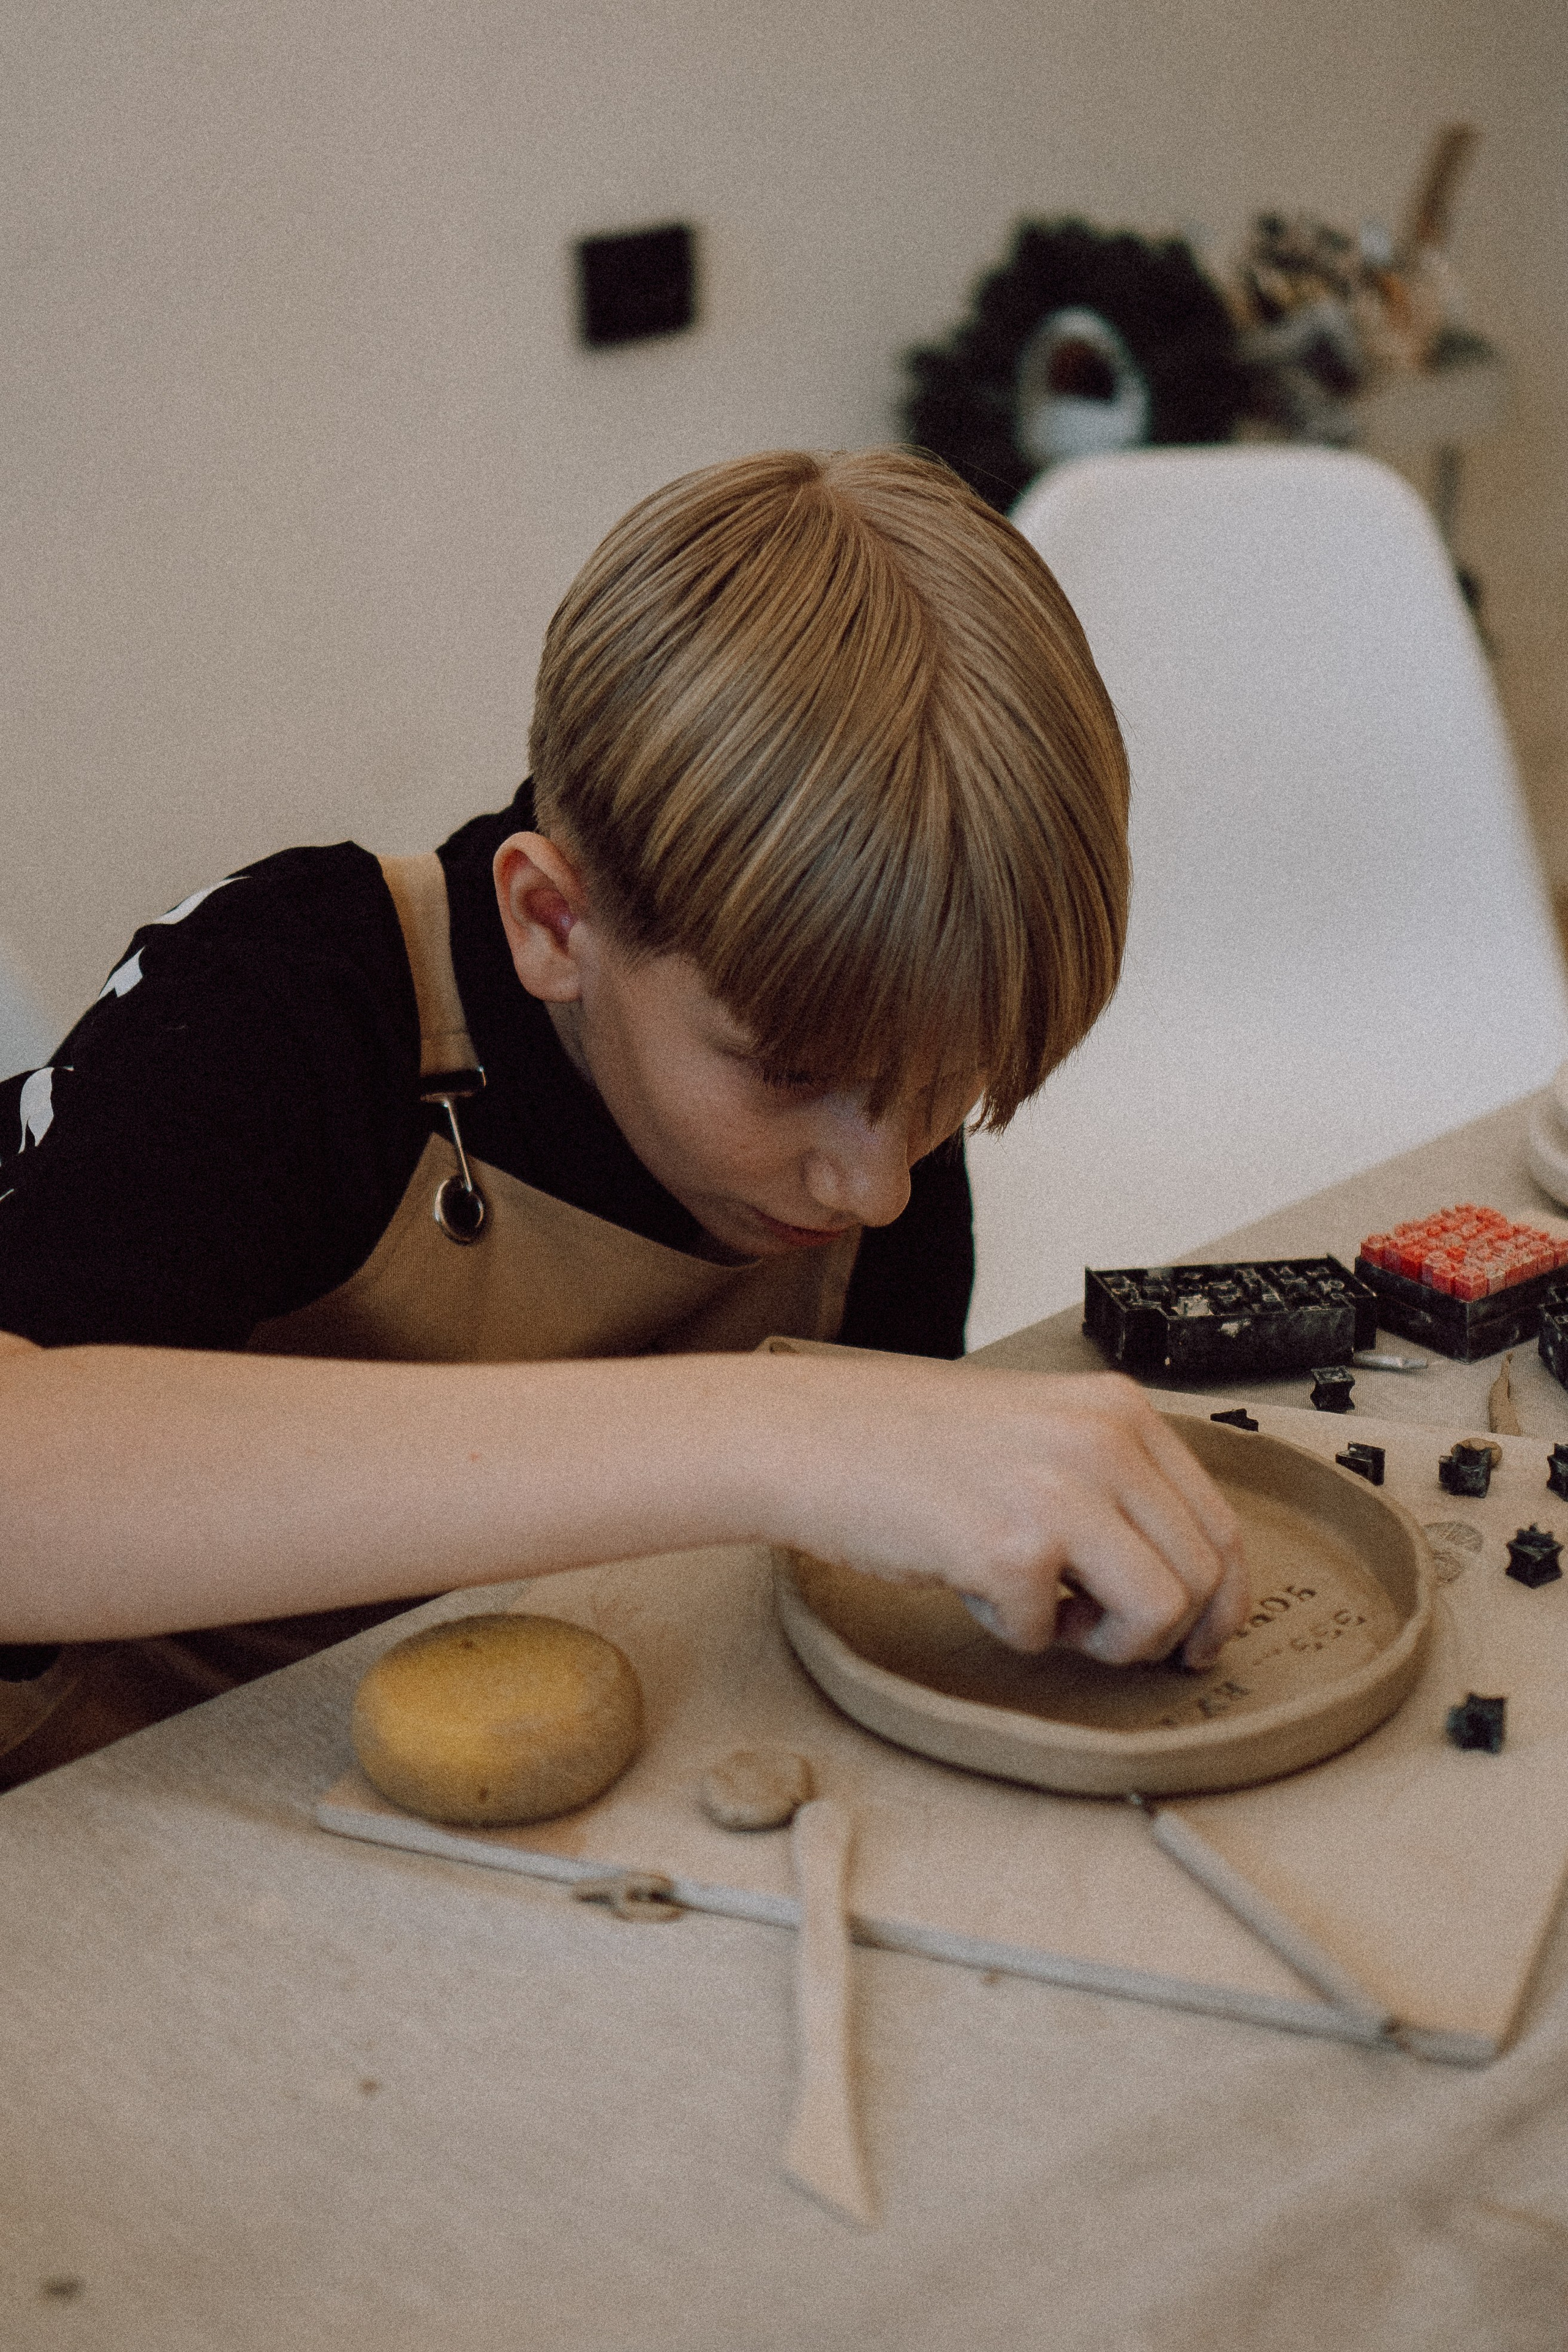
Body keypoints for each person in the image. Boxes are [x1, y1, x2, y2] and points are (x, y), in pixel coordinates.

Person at [0, 447, 1245, 1781]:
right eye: (784, 1071)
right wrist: (782, 1433)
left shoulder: (855, 1107)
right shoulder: (284, 1003)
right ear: (554, 922)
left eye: (951, 1090)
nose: (878, 1188)